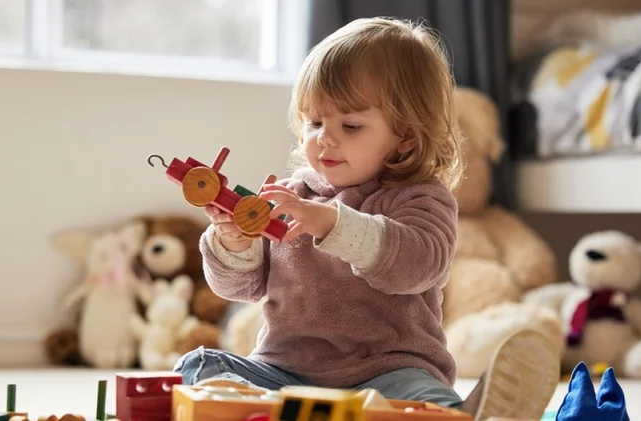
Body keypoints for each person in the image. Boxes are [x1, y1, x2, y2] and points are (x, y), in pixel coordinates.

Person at [174, 17, 560, 421]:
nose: (324, 138)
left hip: (387, 373)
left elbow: (416, 266)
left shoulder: (421, 197)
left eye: (351, 125)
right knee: (198, 367)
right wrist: (235, 241)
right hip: (286, 371)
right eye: (315, 122)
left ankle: (461, 415)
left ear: (406, 135)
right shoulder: (294, 196)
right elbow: (242, 286)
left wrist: (332, 224)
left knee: (421, 398)